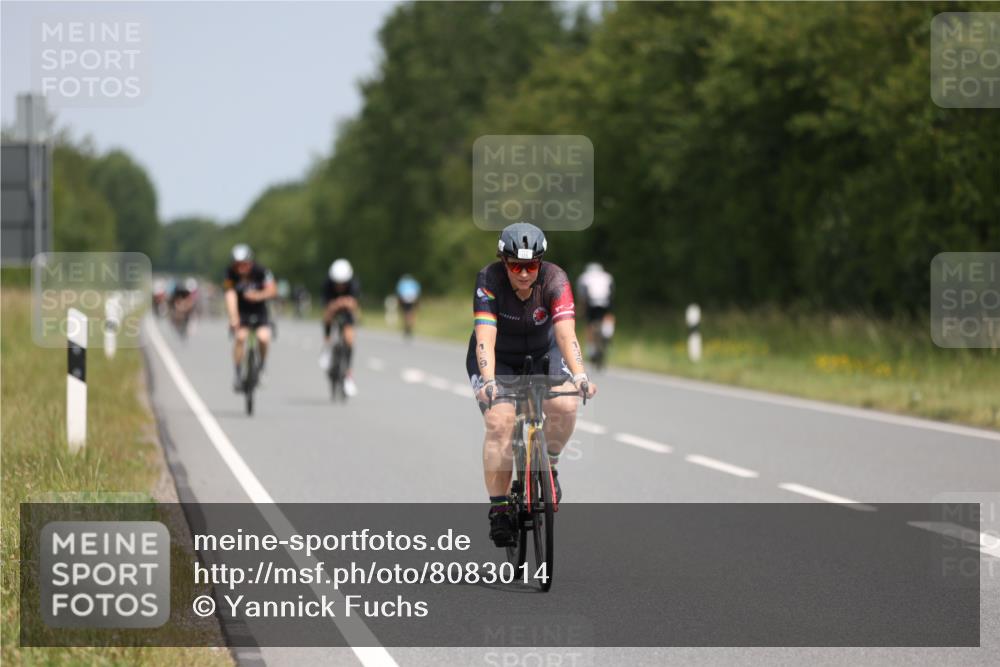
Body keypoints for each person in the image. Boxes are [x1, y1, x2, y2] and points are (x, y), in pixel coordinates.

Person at [465, 222, 597, 547]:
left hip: (544, 352)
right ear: (503, 262)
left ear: (541, 263)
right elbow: (485, 338)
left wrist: (580, 375)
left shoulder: (555, 280)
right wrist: (489, 381)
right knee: (499, 422)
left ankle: (549, 464)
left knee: (566, 404)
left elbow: (566, 335)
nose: (524, 274)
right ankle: (498, 509)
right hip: (499, 357)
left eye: (531, 265)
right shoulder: (489, 280)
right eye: (516, 266)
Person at [223, 244, 277, 391]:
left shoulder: (261, 271)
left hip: (260, 310)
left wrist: (257, 296)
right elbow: (230, 294)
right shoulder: (230, 274)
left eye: (244, 264)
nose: (241, 268)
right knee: (240, 338)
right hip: (241, 312)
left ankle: (262, 367)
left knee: (263, 338)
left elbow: (272, 289)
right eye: (237, 265)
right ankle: (238, 373)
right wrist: (233, 317)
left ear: (250, 262)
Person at [319, 258, 361, 397]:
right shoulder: (327, 284)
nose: (340, 286)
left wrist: (342, 303)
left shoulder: (354, 284)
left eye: (343, 283)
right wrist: (338, 304)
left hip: (346, 312)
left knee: (349, 338)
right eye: (337, 283)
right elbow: (327, 305)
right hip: (332, 309)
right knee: (328, 316)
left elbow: (353, 304)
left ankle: (348, 375)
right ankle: (326, 345)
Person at [576, 262, 615, 365]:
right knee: (609, 315)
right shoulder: (607, 276)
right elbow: (611, 292)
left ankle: (591, 349)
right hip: (605, 302)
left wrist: (581, 309)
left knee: (589, 324)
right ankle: (608, 332)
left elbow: (582, 296)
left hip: (591, 302)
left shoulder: (584, 277)